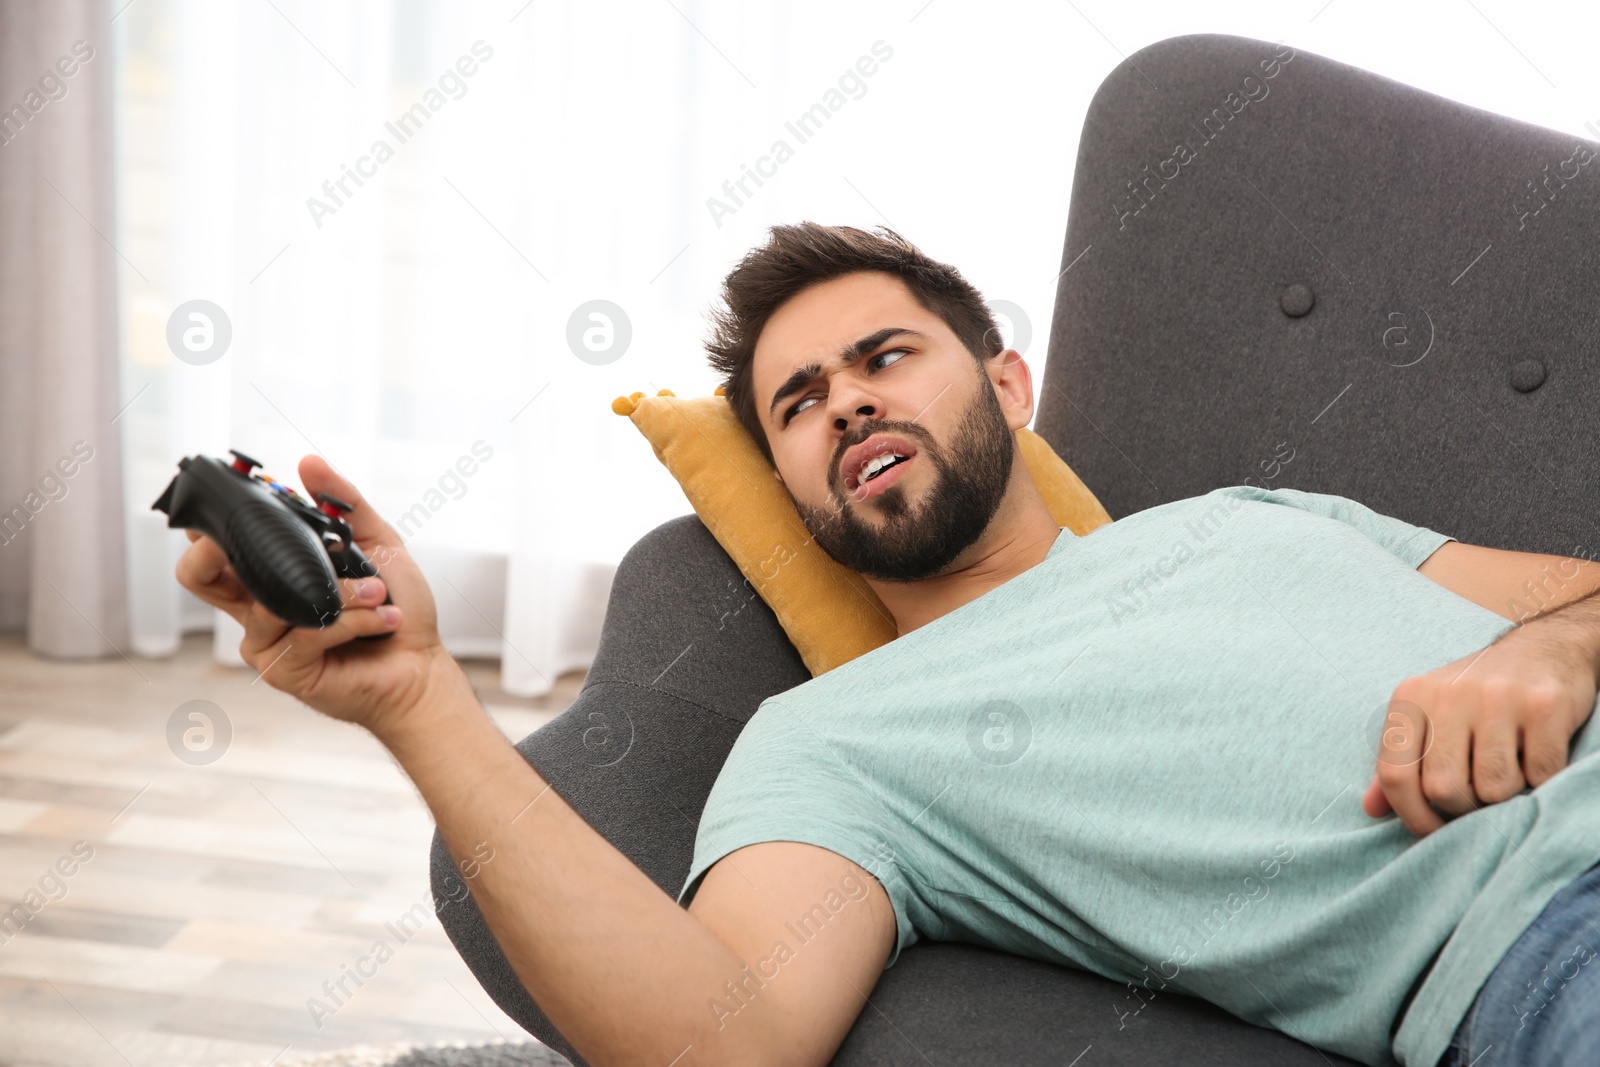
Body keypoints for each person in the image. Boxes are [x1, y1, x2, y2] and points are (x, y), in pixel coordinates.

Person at [176, 223, 1600, 1067]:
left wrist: (1551, 655)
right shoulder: (840, 743)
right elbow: (719, 1036)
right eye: (796, 404)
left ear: (1004, 382)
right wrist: (423, 704)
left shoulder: (1250, 513)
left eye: (883, 358)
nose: (844, 405)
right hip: (1551, 947)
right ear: (790, 483)